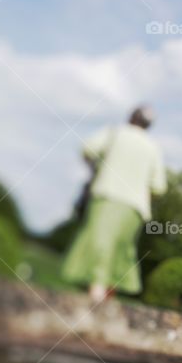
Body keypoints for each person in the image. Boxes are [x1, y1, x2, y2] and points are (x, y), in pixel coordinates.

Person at [61, 105, 167, 303]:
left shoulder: (114, 133)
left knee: (100, 242)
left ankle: (95, 292)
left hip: (106, 195)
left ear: (130, 117)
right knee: (120, 249)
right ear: (149, 125)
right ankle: (105, 294)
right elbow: (159, 186)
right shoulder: (153, 147)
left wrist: (97, 168)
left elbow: (86, 149)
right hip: (135, 208)